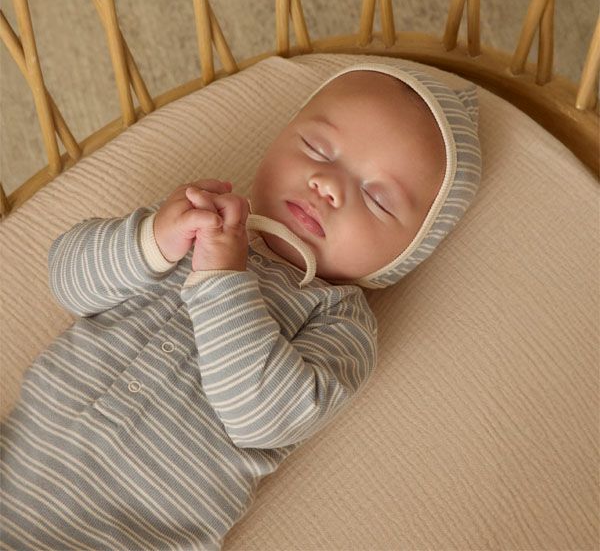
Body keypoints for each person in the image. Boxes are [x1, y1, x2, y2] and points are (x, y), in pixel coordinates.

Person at [0, 61, 482, 550]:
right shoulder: (193, 221)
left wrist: (222, 278)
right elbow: (67, 281)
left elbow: (262, 418)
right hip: (15, 465)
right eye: (316, 148)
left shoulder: (341, 322)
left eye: (377, 198)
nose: (327, 185)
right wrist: (152, 240)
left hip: (123, 533)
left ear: (406, 254)